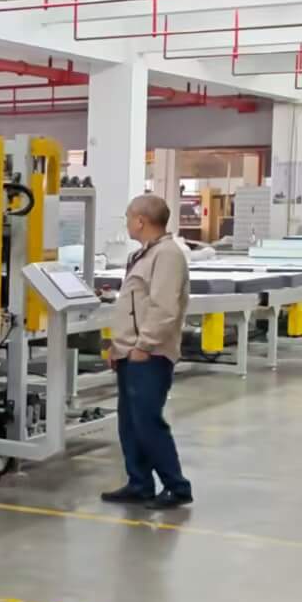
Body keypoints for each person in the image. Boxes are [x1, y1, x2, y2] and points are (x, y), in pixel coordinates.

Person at [102, 195, 193, 509]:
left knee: (147, 421)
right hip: (131, 352)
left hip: (149, 355)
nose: (127, 222)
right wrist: (119, 346)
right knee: (129, 422)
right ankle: (139, 483)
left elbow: (164, 308)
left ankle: (176, 486)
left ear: (140, 220)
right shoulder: (145, 254)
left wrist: (144, 345)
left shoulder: (167, 255)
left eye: (128, 217)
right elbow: (133, 307)